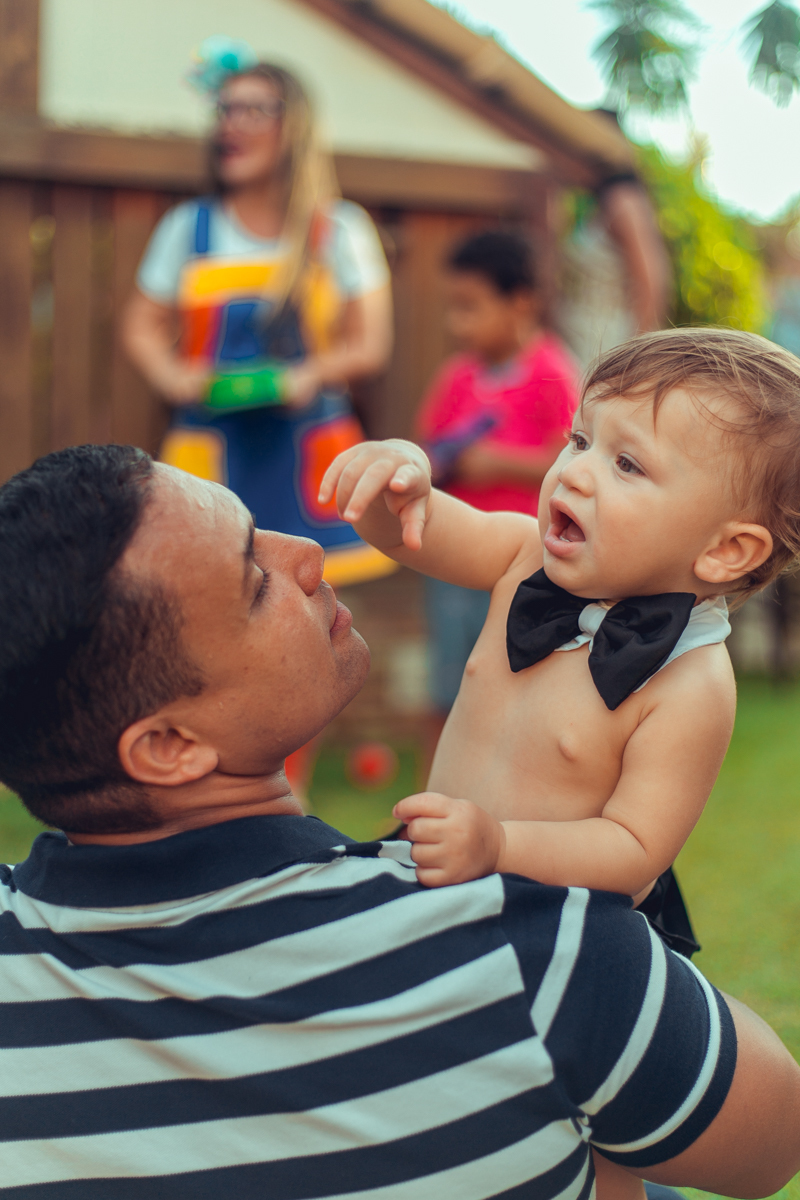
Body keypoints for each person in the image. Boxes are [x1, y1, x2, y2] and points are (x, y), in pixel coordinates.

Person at [0, 445, 799, 1196]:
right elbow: (776, 1141)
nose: (306, 555)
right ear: (169, 745)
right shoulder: (529, 949)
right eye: (252, 579)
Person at [321, 327, 800, 1195]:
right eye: (581, 438)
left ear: (726, 551)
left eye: (628, 465)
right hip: (445, 895)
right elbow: (419, 530)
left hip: (575, 943)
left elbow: (632, 851)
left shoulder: (692, 683)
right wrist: (398, 476)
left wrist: (496, 842)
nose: (574, 472)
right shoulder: (522, 558)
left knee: (593, 1142)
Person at [122, 37, 394, 593]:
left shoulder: (340, 230)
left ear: (294, 126)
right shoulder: (185, 228)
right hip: (209, 455)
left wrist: (312, 373)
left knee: (317, 619)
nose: (232, 124)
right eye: (225, 109)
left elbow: (371, 345)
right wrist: (171, 375)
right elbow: (140, 324)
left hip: (310, 456)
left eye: (254, 109)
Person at [416, 230, 578, 712]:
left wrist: (496, 462)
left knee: (513, 682)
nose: (456, 322)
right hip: (453, 555)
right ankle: (434, 782)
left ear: (520, 303)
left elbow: (570, 459)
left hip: (525, 558)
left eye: (470, 306)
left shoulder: (553, 371)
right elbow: (426, 448)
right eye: (453, 307)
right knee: (448, 679)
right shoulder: (457, 376)